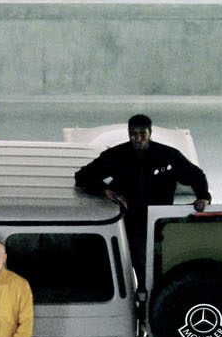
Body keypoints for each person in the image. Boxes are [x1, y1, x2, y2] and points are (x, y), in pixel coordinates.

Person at [73, 113, 210, 268]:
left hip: (156, 225)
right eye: (133, 134)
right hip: (125, 225)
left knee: (155, 270)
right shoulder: (117, 155)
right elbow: (82, 176)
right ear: (128, 133)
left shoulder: (168, 156)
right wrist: (105, 190)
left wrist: (203, 197)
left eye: (142, 134)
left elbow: (196, 175)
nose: (137, 139)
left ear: (149, 133)